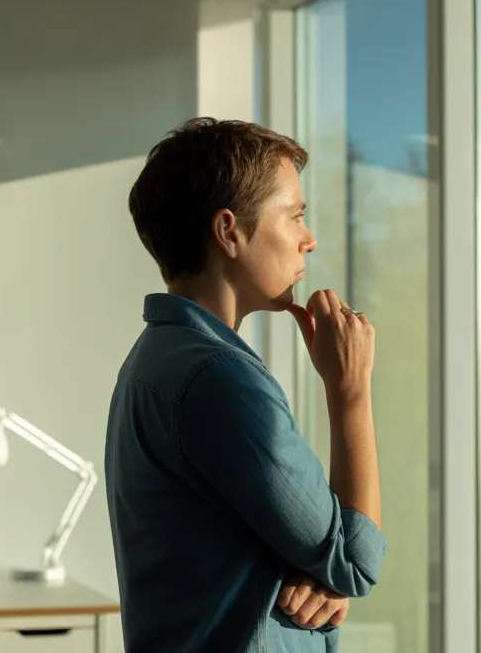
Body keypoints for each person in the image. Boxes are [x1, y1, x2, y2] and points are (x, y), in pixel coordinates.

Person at [105, 117, 385, 652]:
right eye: (295, 215)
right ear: (229, 230)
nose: (309, 239)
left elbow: (317, 557)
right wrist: (349, 390)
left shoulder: (159, 360)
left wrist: (322, 573)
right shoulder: (217, 379)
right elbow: (355, 561)